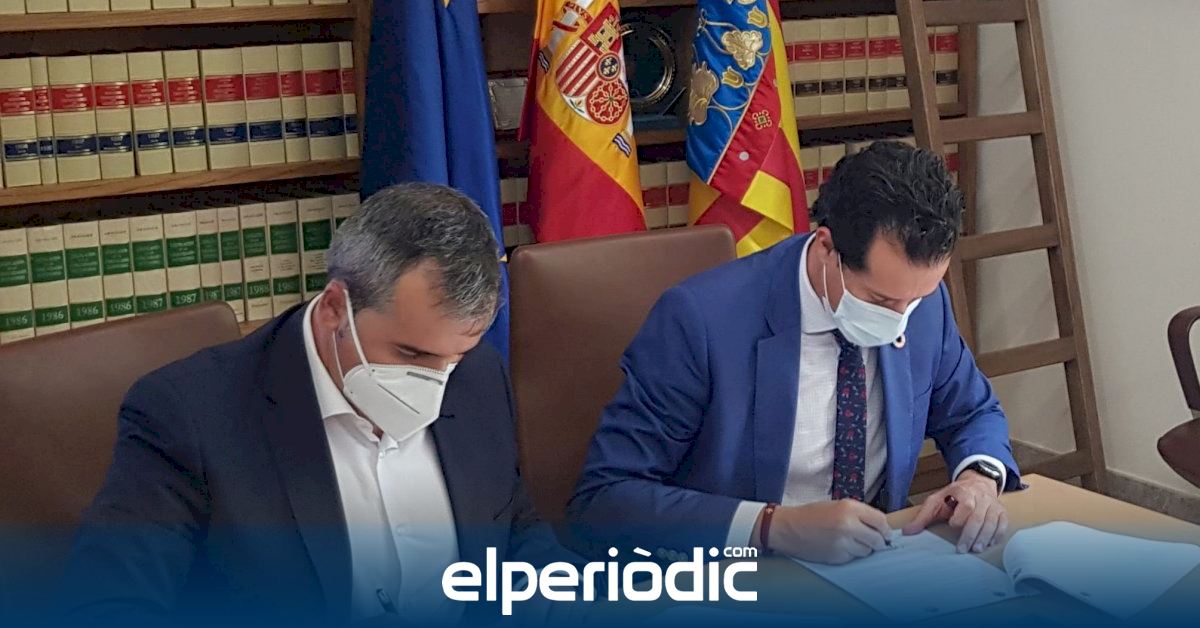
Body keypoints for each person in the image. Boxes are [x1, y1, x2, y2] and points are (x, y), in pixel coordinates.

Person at [61, 183, 570, 623]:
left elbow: (518, 543)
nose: (436, 382)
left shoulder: (478, 378)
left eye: (455, 356)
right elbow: (109, 606)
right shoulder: (188, 415)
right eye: (411, 354)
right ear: (334, 309)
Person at [568, 141, 1019, 565]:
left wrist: (978, 479)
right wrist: (772, 527)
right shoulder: (700, 321)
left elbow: (971, 412)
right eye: (880, 301)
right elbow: (605, 499)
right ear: (825, 247)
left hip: (873, 569)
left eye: (916, 299)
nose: (900, 319)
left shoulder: (922, 303)